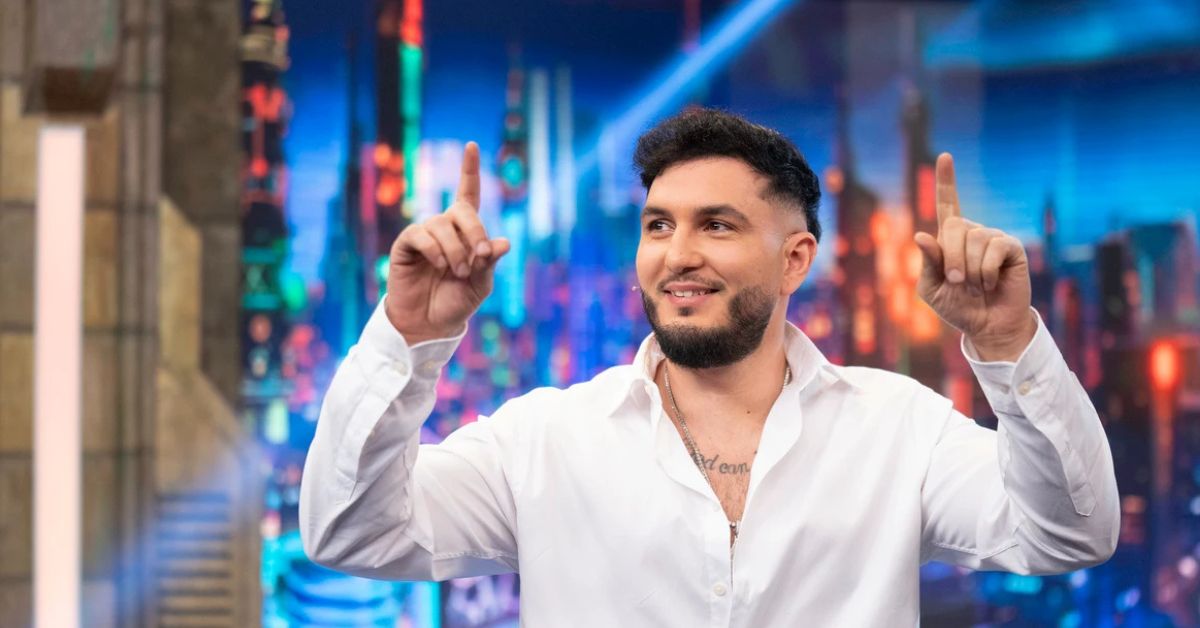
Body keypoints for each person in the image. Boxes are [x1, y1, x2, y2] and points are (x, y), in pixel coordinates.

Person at [300, 109, 1118, 626]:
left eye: (716, 226)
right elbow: (351, 532)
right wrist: (407, 334)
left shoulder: (898, 428)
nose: (677, 255)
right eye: (658, 226)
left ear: (796, 259)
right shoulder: (544, 439)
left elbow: (1071, 533)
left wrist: (1008, 343)